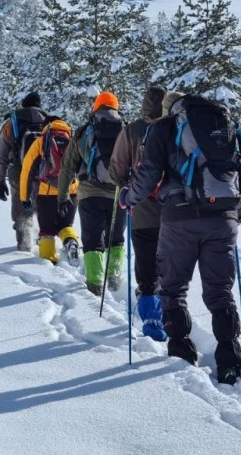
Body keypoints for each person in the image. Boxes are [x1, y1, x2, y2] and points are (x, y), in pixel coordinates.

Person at [119, 92, 241, 385]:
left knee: (173, 289)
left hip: (180, 219)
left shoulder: (164, 127)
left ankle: (181, 351)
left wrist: (129, 197)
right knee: (220, 292)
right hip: (223, 218)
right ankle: (230, 360)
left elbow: (149, 172)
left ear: (170, 110)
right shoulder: (224, 125)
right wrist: (236, 214)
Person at [109, 85, 168, 342]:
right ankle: (173, 320)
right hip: (174, 211)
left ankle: (153, 322)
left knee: (146, 271)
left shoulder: (132, 130)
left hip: (141, 208)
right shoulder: (176, 127)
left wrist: (126, 187)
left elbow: (116, 169)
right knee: (169, 269)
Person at [57, 92, 125, 296]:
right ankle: (114, 280)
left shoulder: (83, 132)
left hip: (89, 193)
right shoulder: (125, 130)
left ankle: (95, 285)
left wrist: (62, 196)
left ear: (96, 107)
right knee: (116, 239)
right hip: (118, 195)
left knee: (93, 238)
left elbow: (67, 167)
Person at [19, 117, 80, 264]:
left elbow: (27, 171)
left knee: (47, 230)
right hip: (71, 192)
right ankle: (71, 242)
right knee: (65, 225)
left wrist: (24, 197)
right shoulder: (74, 140)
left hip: (46, 194)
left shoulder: (40, 142)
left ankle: (49, 261)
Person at [0, 92, 48, 251]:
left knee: (20, 204)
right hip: (43, 171)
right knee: (43, 206)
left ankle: (24, 245)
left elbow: (0, 155)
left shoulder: (13, 122)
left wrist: (0, 180)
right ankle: (45, 242)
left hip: (19, 170)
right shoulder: (49, 122)